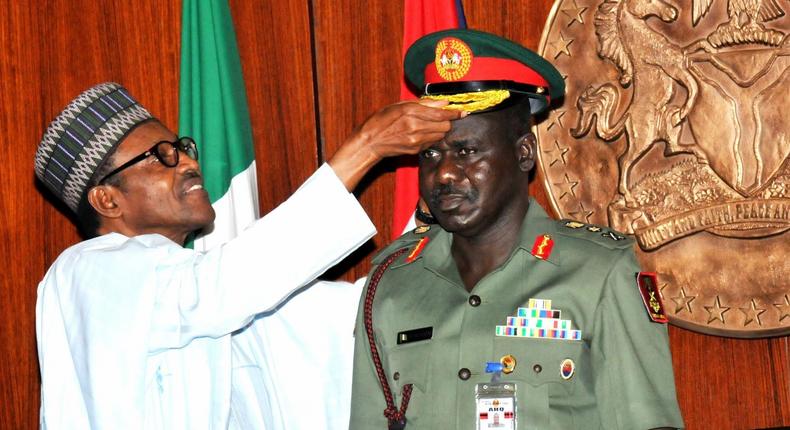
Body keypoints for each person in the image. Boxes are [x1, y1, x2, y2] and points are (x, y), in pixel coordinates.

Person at [34, 82, 462, 429]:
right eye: (160, 157)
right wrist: (365, 147)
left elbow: (363, 316)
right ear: (107, 200)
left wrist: (436, 210)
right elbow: (221, 287)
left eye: (182, 148)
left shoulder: (202, 293)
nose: (186, 163)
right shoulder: (84, 272)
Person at [350, 29, 684, 430]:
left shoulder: (598, 273)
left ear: (524, 153)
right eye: (431, 154)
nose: (444, 174)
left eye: (467, 152)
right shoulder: (392, 282)